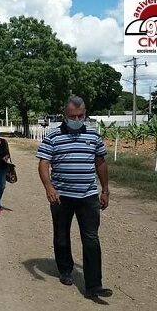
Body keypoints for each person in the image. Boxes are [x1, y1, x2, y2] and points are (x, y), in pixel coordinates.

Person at [36, 96, 113, 299]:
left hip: (88, 196)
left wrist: (105, 189)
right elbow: (44, 163)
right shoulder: (53, 137)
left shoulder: (93, 136)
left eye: (81, 115)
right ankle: (65, 270)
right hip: (61, 197)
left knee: (91, 238)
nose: (77, 119)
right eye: (73, 116)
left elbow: (101, 163)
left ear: (85, 114)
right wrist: (49, 187)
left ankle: (94, 285)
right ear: (65, 115)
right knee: (61, 235)